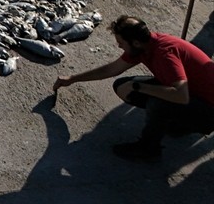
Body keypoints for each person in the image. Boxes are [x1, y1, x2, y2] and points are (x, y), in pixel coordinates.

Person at [53, 15, 214, 162]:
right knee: (122, 85)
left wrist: (139, 86)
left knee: (157, 103)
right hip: (194, 94)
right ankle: (179, 124)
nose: (118, 46)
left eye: (121, 43)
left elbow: (181, 96)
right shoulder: (144, 45)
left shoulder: (164, 54)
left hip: (209, 110)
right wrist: (73, 79)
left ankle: (148, 149)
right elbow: (111, 69)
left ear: (135, 42)